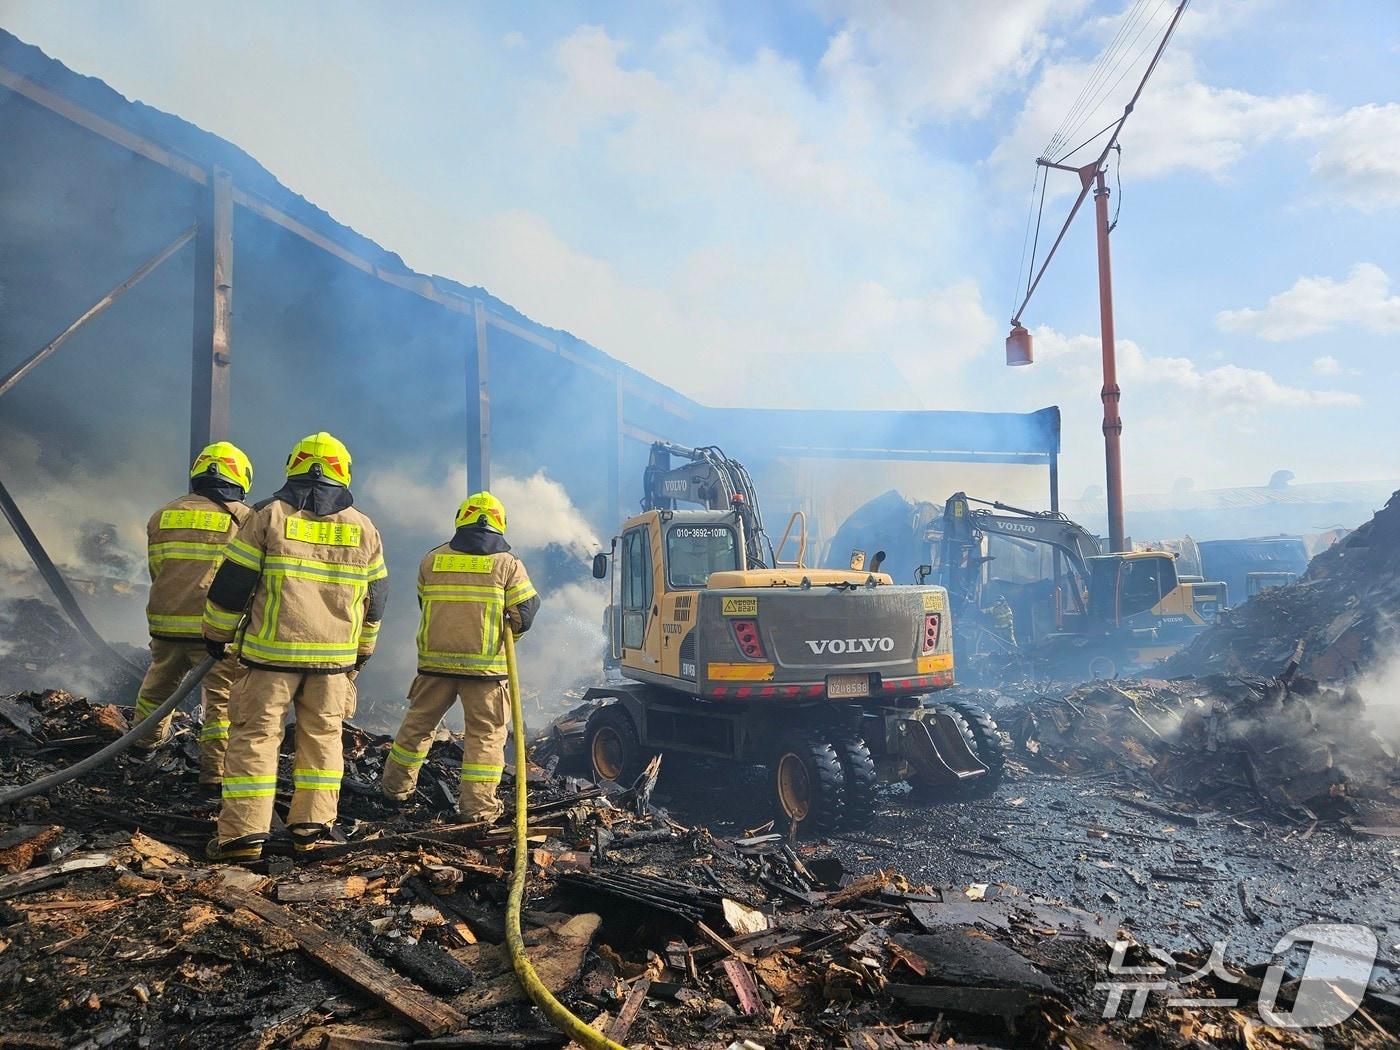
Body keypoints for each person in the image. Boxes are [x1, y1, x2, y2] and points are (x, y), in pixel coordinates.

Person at [202, 432, 387, 862]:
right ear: (343, 472)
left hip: (270, 657)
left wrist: (217, 634)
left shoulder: (268, 515)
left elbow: (233, 584)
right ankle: (312, 829)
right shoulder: (363, 526)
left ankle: (243, 837)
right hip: (333, 663)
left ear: (294, 467)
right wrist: (363, 650)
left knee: (255, 739)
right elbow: (376, 597)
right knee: (324, 738)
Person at [380, 491, 538, 823]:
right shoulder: (508, 565)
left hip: (435, 664)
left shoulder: (432, 560)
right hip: (485, 672)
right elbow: (525, 611)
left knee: (418, 725)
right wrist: (504, 639)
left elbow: (426, 604)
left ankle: (395, 789)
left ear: (460, 520)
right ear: (500, 525)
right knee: (485, 735)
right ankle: (478, 810)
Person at [133, 442, 254, 787]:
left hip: (166, 624)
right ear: (240, 478)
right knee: (222, 703)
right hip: (215, 631)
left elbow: (158, 570)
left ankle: (142, 745)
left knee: (157, 688)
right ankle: (214, 773)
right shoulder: (244, 519)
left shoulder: (163, 515)